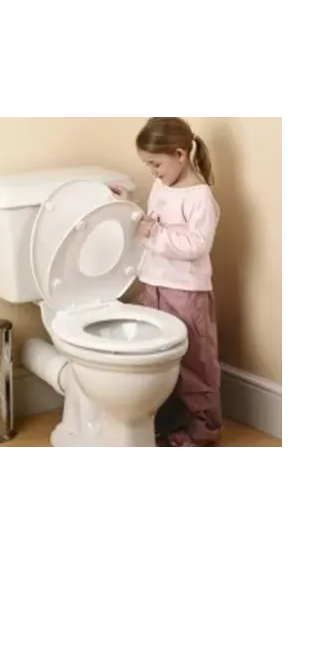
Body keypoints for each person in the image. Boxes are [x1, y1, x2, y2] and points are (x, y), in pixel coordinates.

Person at [111, 116, 222, 449]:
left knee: (194, 367)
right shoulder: (163, 185)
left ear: (180, 155)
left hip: (187, 293)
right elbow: (154, 222)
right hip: (155, 286)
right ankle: (170, 425)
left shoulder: (199, 197)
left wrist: (154, 234)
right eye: (148, 164)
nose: (152, 172)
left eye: (156, 164)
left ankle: (201, 434)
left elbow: (196, 245)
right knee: (162, 360)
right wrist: (126, 206)